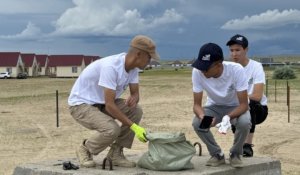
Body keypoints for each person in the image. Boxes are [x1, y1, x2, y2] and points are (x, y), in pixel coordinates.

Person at [68, 35, 160, 168]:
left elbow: (135, 93)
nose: (150, 61)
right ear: (139, 54)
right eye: (149, 57)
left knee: (136, 111)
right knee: (112, 129)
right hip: (81, 105)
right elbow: (110, 105)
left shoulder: (134, 68)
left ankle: (115, 154)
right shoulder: (111, 67)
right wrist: (134, 127)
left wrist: (134, 98)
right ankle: (85, 148)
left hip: (102, 103)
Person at [191, 43, 251, 168]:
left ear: (218, 64)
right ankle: (217, 154)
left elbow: (244, 105)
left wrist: (228, 117)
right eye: (200, 66)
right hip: (214, 107)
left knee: (244, 122)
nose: (202, 71)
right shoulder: (197, 72)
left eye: (206, 68)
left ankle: (235, 153)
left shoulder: (236, 70)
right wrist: (203, 117)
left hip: (236, 107)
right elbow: (196, 105)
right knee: (197, 123)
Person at [226, 34, 268, 157]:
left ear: (246, 50)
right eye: (231, 50)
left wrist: (239, 98)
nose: (234, 54)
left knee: (251, 103)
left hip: (258, 111)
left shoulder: (256, 67)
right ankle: (238, 145)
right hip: (237, 106)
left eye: (238, 50)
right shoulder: (228, 68)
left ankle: (247, 146)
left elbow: (257, 96)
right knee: (235, 107)